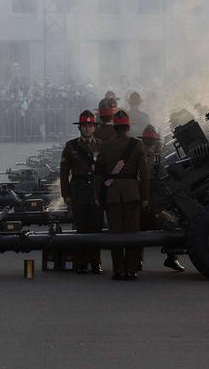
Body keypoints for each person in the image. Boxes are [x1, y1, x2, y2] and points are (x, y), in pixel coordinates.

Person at [94, 109, 147, 280]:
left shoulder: (105, 145)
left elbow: (99, 174)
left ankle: (118, 270)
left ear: (115, 128)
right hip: (132, 193)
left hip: (112, 194)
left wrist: (98, 195)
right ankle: (131, 269)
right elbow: (144, 174)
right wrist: (145, 196)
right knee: (132, 232)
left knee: (115, 232)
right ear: (128, 127)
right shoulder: (137, 144)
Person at [60, 110, 103, 274]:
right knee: (81, 227)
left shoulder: (101, 145)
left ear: (94, 127)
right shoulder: (71, 146)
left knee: (96, 227)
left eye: (90, 125)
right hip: (78, 189)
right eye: (84, 126)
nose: (87, 129)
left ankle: (95, 262)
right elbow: (64, 172)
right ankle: (81, 261)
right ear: (80, 128)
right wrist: (66, 194)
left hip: (96, 190)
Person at [142, 124, 184, 272]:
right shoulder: (140, 157)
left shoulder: (159, 157)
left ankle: (172, 258)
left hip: (155, 199)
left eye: (151, 142)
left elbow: (162, 177)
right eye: (147, 142)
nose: (149, 145)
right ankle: (136, 261)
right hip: (143, 200)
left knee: (171, 223)